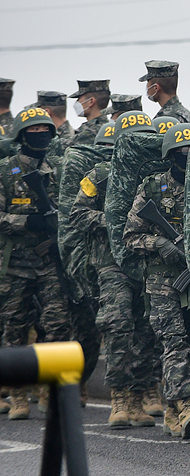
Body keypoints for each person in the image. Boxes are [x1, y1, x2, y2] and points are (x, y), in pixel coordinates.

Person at [70, 111, 160, 429]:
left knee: (146, 329)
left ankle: (137, 398)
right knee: (119, 325)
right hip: (111, 262)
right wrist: (113, 221)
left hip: (147, 261)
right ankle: (119, 397)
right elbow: (77, 213)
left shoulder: (157, 175)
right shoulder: (100, 174)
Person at [124, 123, 190, 439]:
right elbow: (131, 235)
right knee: (173, 341)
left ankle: (172, 409)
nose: (188, 156)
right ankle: (186, 404)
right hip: (161, 281)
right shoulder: (152, 187)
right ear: (171, 155)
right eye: (182, 152)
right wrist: (161, 244)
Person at [0, 107, 72, 420]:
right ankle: (17, 395)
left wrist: (55, 229)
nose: (41, 136)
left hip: (49, 259)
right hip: (15, 261)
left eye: (45, 131)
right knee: (15, 327)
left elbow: (70, 210)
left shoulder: (59, 167)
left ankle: (50, 391)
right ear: (21, 135)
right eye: (34, 132)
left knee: (57, 325)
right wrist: (28, 223)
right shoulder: (5, 170)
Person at [69, 79, 111, 146]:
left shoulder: (92, 131)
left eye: (79, 98)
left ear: (91, 101)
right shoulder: (108, 127)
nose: (77, 102)